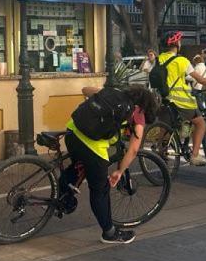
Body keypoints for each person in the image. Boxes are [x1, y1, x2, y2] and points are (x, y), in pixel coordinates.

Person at [64, 85, 159, 244]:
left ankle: (62, 198)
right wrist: (120, 171)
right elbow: (134, 149)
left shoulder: (114, 93)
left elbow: (86, 90)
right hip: (91, 144)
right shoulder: (138, 112)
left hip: (72, 131)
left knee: (80, 165)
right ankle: (109, 233)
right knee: (100, 189)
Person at [157, 31, 206, 166]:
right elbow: (200, 79)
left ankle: (160, 152)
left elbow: (170, 77)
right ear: (176, 44)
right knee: (200, 123)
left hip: (164, 100)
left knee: (166, 127)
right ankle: (195, 156)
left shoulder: (159, 59)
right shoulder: (182, 61)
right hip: (181, 101)